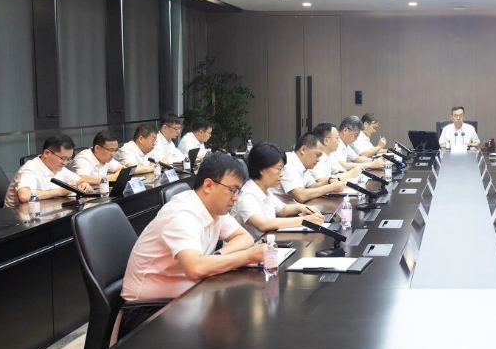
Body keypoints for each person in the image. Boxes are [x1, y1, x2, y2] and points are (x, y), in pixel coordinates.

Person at [120, 153, 263, 333]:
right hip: (147, 311)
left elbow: (244, 237)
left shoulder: (212, 207)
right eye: (232, 190)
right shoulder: (182, 213)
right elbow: (195, 268)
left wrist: (217, 256)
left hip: (187, 297)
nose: (235, 198)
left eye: (238, 191)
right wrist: (248, 256)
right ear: (208, 185)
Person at [232, 142, 325, 239]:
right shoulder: (247, 195)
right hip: (251, 246)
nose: (281, 174)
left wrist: (302, 208)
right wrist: (305, 221)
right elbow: (263, 224)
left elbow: (282, 209)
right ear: (262, 169)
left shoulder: (265, 190)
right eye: (279, 169)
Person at [4, 135, 94, 206]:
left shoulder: (59, 168)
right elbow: (24, 196)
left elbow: (79, 180)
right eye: (63, 158)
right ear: (47, 153)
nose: (65, 163)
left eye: (68, 159)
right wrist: (59, 192)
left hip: (46, 211)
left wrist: (83, 184)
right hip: (18, 218)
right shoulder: (30, 169)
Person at [276, 133, 348, 203]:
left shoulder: (302, 164)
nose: (318, 160)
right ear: (303, 150)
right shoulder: (289, 163)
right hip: (282, 209)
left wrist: (329, 181)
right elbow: (300, 196)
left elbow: (313, 186)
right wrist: (331, 188)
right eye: (317, 155)